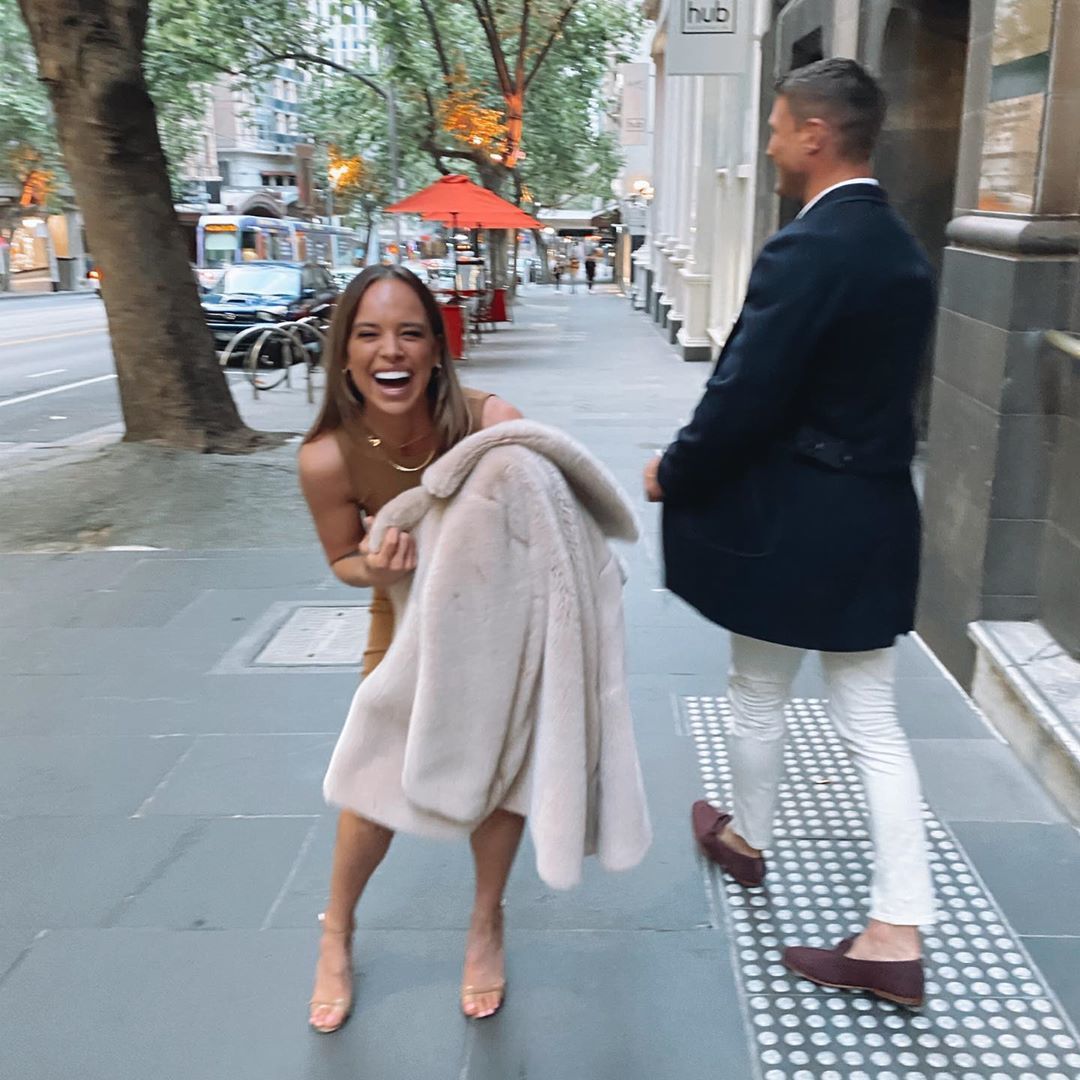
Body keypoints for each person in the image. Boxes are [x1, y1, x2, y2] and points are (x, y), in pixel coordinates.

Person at [643, 58, 938, 1007]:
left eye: (777, 128)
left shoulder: (808, 249)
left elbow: (745, 393)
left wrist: (675, 471)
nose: (769, 144)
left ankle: (771, 853)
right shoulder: (900, 247)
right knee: (870, 723)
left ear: (816, 135)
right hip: (876, 513)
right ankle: (876, 913)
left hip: (794, 524)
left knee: (759, 690)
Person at [299, 265, 522, 1032]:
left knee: (501, 776)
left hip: (494, 622)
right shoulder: (326, 456)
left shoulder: (491, 422)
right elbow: (341, 560)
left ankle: (486, 921)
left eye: (410, 333)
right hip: (401, 619)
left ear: (435, 349)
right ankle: (337, 931)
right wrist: (377, 566)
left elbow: (546, 521)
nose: (389, 350)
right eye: (368, 334)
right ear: (345, 352)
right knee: (374, 783)